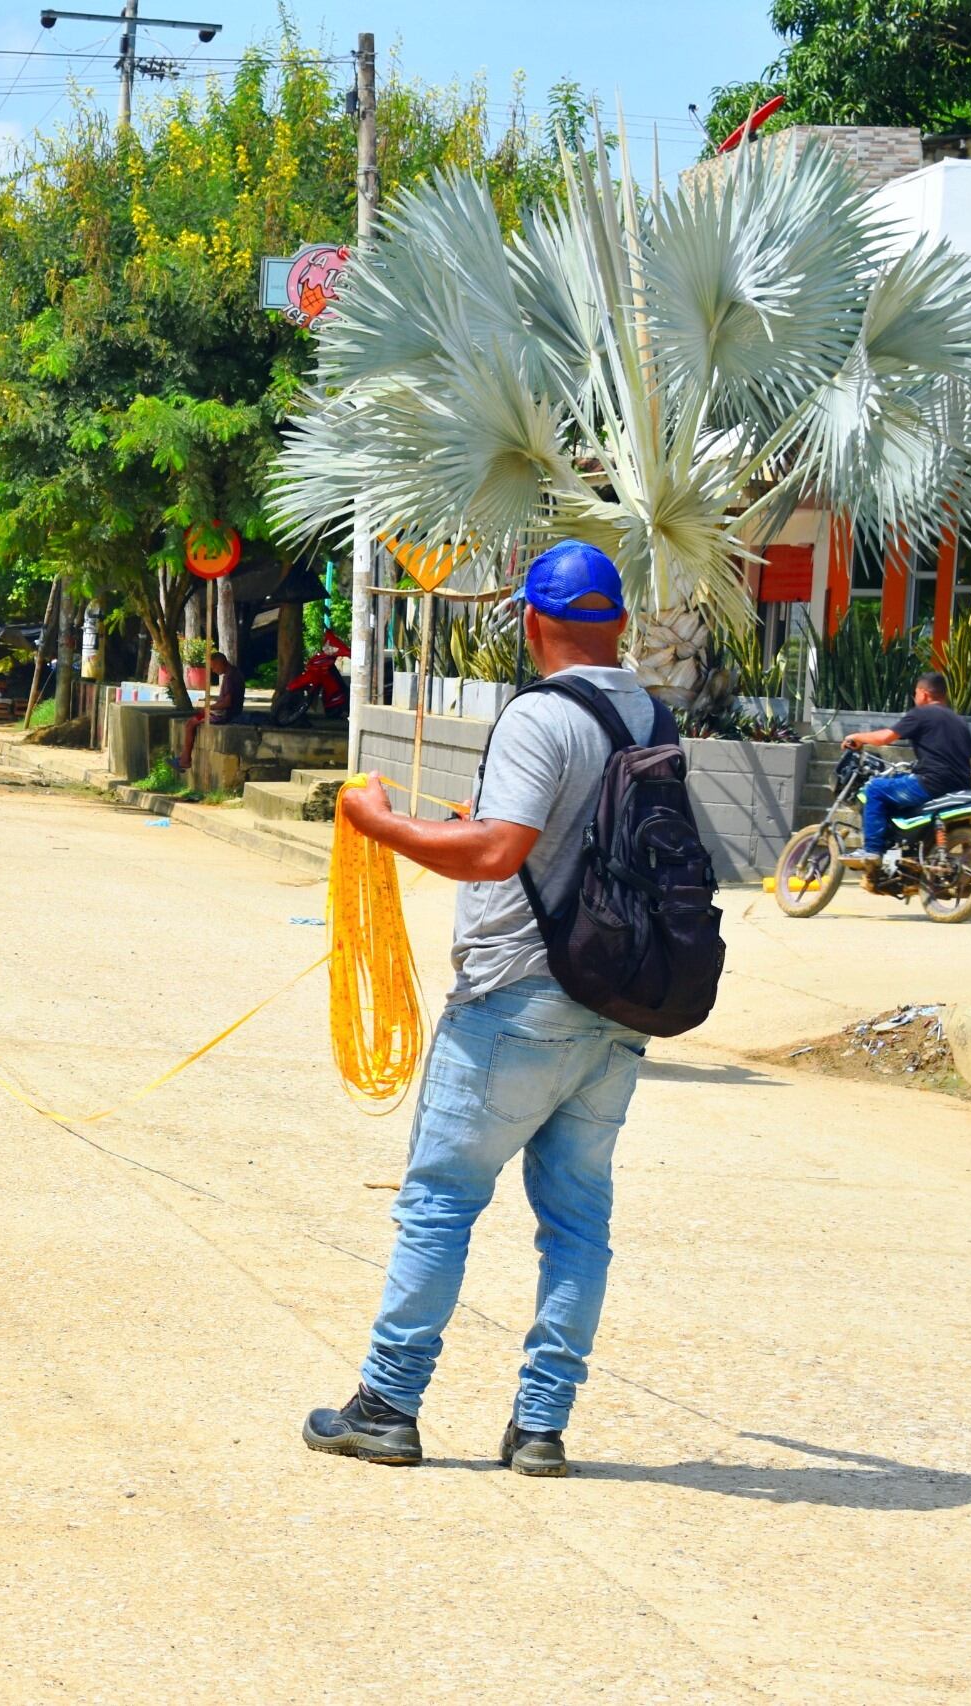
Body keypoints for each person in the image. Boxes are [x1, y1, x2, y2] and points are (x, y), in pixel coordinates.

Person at [304, 541, 654, 1480]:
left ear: (533, 623)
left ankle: (386, 1406)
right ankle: (540, 1428)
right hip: (615, 1007)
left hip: (515, 1001)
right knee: (578, 1226)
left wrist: (381, 824)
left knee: (440, 1205)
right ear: (620, 622)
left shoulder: (540, 713)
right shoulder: (648, 711)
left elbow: (498, 852)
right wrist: (475, 822)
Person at [842, 670, 971, 885]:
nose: (915, 698)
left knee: (875, 788)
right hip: (962, 785)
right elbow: (958, 754)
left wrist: (857, 737)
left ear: (924, 693)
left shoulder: (922, 713)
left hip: (931, 783)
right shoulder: (959, 721)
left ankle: (872, 850)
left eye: (915, 693)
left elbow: (885, 737)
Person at [176, 650, 246, 771]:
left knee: (190, 723)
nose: (213, 670)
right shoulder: (234, 673)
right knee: (197, 716)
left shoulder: (230, 677)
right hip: (228, 712)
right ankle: (184, 757)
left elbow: (227, 703)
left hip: (225, 715)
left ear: (220, 662)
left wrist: (209, 708)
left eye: (213, 667)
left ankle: (185, 760)